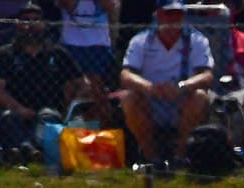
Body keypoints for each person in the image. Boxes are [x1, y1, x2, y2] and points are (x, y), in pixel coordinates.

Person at [119, 0, 215, 170]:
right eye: (168, 13)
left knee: (200, 97)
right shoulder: (140, 41)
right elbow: (126, 75)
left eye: (178, 14)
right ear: (158, 14)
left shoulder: (197, 40)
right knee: (129, 98)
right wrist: (149, 88)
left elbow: (207, 76)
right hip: (151, 102)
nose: (173, 19)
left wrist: (182, 87)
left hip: (183, 101)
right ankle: (152, 159)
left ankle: (180, 156)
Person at [0, 1, 86, 161]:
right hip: (15, 110)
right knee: (8, 117)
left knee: (48, 116)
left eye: (36, 19)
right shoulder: (5, 54)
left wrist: (69, 106)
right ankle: (28, 149)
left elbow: (82, 85)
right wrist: (20, 109)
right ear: (17, 24)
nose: (31, 25)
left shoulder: (58, 53)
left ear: (45, 24)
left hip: (49, 111)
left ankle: (28, 150)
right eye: (26, 20)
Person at [56, 0, 117, 125]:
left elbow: (110, 6)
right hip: (70, 43)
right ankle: (66, 128)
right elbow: (67, 4)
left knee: (98, 92)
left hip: (99, 44)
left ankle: (101, 130)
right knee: (70, 90)